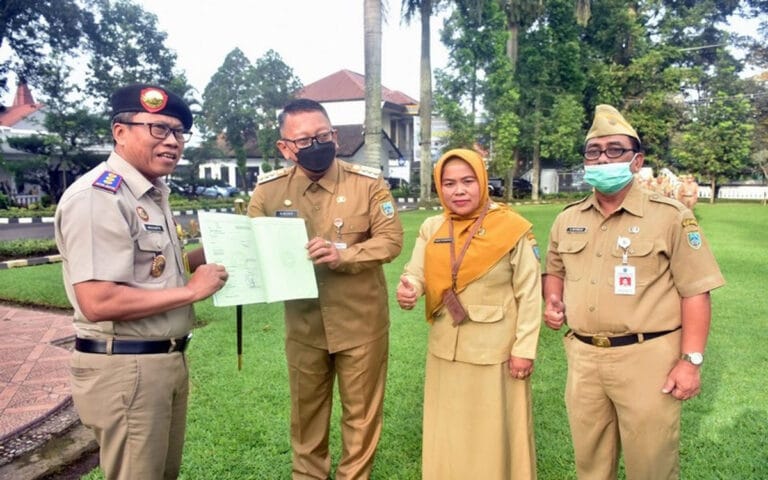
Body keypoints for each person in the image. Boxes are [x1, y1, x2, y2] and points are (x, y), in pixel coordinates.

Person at [54, 84, 229, 480]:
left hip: (159, 362)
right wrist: (192, 291)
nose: (172, 141)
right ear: (120, 131)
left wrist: (211, 255)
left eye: (178, 133)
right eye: (158, 129)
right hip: (127, 366)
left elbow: (154, 270)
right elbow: (97, 300)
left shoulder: (150, 193)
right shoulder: (100, 197)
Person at [542, 104, 725, 479]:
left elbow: (696, 291)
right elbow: (555, 269)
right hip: (584, 358)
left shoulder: (670, 216)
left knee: (651, 465)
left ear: (636, 160)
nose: (602, 158)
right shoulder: (568, 218)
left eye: (614, 150)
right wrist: (553, 300)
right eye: (594, 151)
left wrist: (690, 362)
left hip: (648, 358)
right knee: (590, 464)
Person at [247, 98, 403, 479]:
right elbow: (250, 245)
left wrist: (342, 254)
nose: (316, 145)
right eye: (303, 140)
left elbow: (391, 240)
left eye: (322, 135)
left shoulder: (368, 184)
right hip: (304, 327)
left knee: (361, 416)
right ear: (284, 147)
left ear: (334, 135)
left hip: (361, 324)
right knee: (307, 417)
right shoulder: (268, 192)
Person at [396, 148, 542, 480]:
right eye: (449, 183)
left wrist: (524, 349)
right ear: (439, 186)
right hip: (445, 349)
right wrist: (409, 288)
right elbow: (416, 271)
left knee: (492, 434)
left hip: (497, 352)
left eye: (467, 181)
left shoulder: (512, 228)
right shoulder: (433, 226)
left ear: (483, 182)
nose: (458, 191)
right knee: (448, 431)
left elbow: (530, 294)